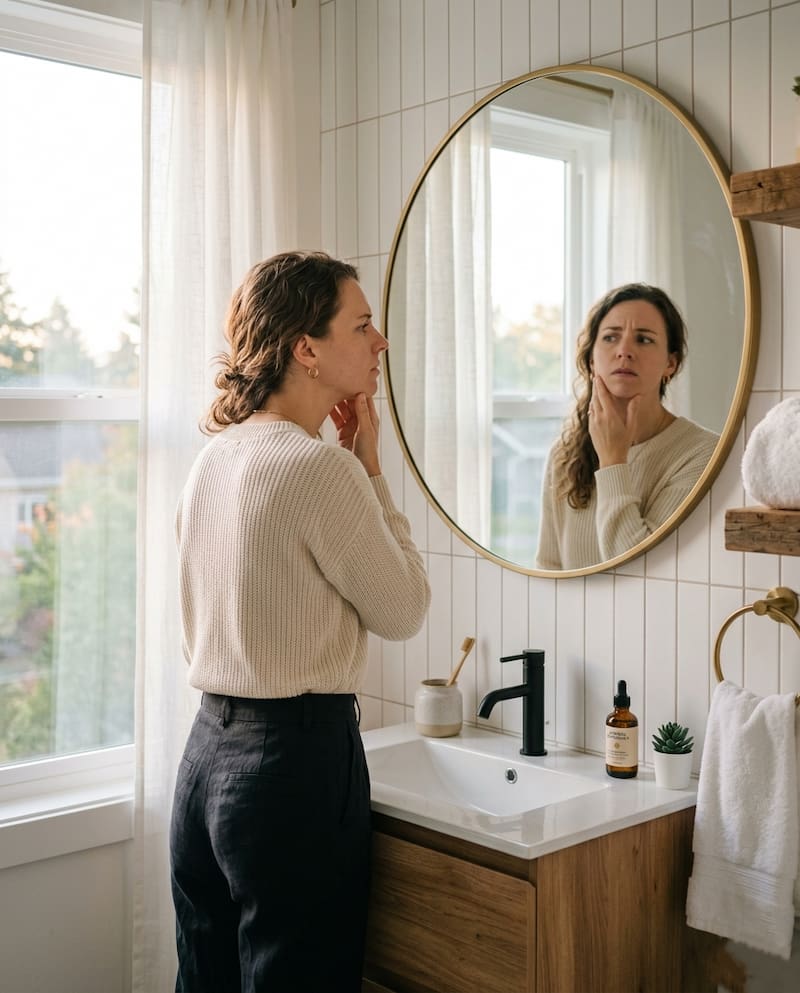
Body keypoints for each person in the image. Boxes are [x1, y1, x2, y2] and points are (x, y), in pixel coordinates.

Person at [169, 250, 431, 993]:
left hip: (205, 764)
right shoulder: (321, 468)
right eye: (362, 324)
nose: (380, 342)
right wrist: (371, 467)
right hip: (292, 770)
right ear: (305, 349)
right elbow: (406, 608)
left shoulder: (217, 458)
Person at [536, 283, 719, 571]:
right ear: (592, 359)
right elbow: (548, 566)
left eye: (644, 340)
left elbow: (641, 574)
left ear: (670, 363)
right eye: (610, 338)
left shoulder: (703, 455)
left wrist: (612, 460)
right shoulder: (564, 454)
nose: (624, 351)